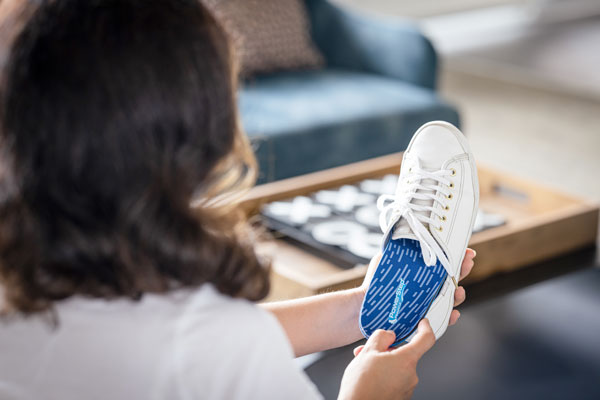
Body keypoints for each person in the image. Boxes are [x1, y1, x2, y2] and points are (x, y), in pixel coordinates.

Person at [0, 1, 475, 399]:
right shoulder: (222, 358)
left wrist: (358, 309)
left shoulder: (32, 283)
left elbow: (176, 334)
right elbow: (210, 345)